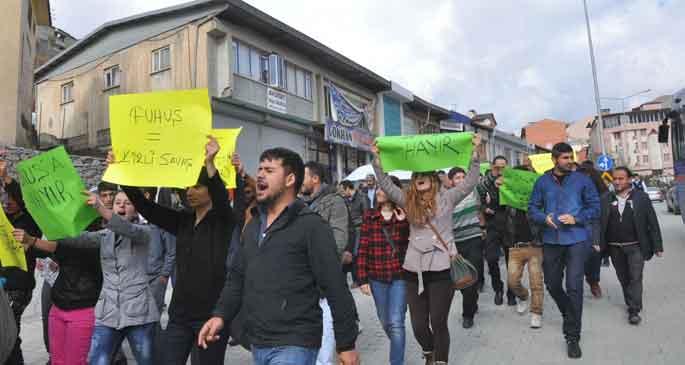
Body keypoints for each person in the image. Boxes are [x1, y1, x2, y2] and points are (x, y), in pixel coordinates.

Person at [197, 147, 360, 365]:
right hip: (259, 342)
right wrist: (220, 315)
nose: (261, 174)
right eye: (260, 169)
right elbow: (237, 277)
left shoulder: (310, 226)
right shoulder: (253, 225)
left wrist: (346, 344)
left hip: (296, 342)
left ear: (290, 179)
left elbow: (335, 286)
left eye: (269, 170)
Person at [110, 136, 236, 365]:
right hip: (179, 316)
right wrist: (121, 176)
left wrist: (210, 164)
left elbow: (221, 199)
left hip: (210, 316)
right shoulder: (183, 221)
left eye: (196, 186)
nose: (189, 191)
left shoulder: (223, 220)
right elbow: (147, 209)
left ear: (209, 191)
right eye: (187, 187)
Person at [16, 190, 160, 365]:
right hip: (109, 313)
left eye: (127, 203)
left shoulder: (145, 232)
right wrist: (35, 238)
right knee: (97, 361)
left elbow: (126, 228)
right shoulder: (104, 236)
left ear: (136, 210)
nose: (121, 205)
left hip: (139, 314)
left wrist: (99, 207)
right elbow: (74, 240)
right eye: (118, 203)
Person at [371, 136, 481, 365]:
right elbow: (386, 185)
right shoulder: (407, 200)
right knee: (419, 325)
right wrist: (377, 160)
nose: (418, 179)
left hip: (442, 267)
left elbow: (470, 181)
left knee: (439, 321)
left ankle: (440, 361)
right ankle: (429, 351)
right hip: (414, 269)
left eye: (423, 176)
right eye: (415, 176)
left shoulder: (448, 198)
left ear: (433, 179)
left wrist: (475, 153)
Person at [528, 142, 600, 359]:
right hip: (551, 240)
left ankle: (572, 336)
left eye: (571, 157)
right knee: (551, 283)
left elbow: (595, 207)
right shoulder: (542, 182)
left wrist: (577, 218)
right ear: (554, 159)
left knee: (574, 286)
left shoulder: (583, 180)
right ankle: (569, 313)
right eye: (565, 158)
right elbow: (532, 208)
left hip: (577, 239)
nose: (570, 161)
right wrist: (543, 218)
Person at [301, 161, 351, 365]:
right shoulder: (299, 203)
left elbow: (338, 242)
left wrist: (316, 264)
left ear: (315, 178)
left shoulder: (334, 202)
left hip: (324, 286)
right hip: (303, 288)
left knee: (323, 354)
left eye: (303, 176)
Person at [600, 167, 664, 325]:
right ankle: (632, 301)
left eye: (621, 178)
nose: (617, 181)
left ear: (629, 179)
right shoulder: (605, 198)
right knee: (624, 278)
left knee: (635, 277)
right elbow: (599, 223)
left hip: (635, 246)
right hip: (614, 247)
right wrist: (597, 242)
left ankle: (633, 310)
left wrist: (658, 246)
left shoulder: (641, 198)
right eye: (615, 178)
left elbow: (652, 223)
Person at [356, 175, 409, 365]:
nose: (378, 191)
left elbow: (407, 245)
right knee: (385, 321)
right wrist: (361, 279)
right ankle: (398, 342)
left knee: (396, 322)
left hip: (399, 276)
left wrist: (403, 223)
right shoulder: (369, 216)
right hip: (377, 277)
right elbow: (362, 247)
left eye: (383, 188)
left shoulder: (404, 215)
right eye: (378, 187)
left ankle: (396, 361)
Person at [0, 174, 43, 364]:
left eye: (12, 199)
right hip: (3, 284)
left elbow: (24, 201)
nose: (8, 202)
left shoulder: (31, 221)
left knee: (9, 330)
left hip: (19, 286)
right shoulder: (3, 220)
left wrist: (7, 179)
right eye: (5, 198)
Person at [503, 166, 544, 329]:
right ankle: (523, 296)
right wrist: (498, 183)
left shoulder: (539, 201)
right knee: (512, 281)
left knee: (536, 282)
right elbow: (486, 189)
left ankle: (536, 312)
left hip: (534, 246)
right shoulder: (508, 199)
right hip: (515, 247)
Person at [140, 187, 177, 363]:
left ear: (147, 195)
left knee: (152, 320)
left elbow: (171, 251)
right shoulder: (131, 221)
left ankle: (159, 357)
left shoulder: (160, 222)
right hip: (137, 278)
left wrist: (164, 275)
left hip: (156, 278)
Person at [448, 167, 485, 329]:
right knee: (462, 279)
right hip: (456, 243)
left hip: (474, 239)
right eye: (457, 177)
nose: (461, 180)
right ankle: (472, 301)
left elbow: (481, 183)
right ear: (451, 181)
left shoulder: (473, 192)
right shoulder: (447, 198)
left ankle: (467, 314)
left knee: (472, 276)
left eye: (463, 176)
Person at [477, 155, 516, 306]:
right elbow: (477, 202)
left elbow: (519, 199)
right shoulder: (484, 183)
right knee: (492, 259)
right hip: (491, 224)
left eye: (503, 167)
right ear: (492, 167)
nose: (500, 170)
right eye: (497, 167)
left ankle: (511, 292)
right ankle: (498, 288)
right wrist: (484, 208)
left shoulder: (511, 181)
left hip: (509, 225)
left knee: (511, 263)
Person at [578, 161, 607, 298]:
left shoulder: (602, 195)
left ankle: (593, 281)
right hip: (575, 227)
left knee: (594, 256)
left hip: (594, 227)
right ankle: (575, 287)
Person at [340, 180, 369, 285]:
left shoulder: (362, 197)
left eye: (343, 190)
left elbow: (366, 215)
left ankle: (359, 279)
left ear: (348, 188)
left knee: (357, 254)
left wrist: (354, 221)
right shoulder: (345, 199)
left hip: (359, 229)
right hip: (349, 230)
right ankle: (354, 279)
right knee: (350, 253)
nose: (342, 193)